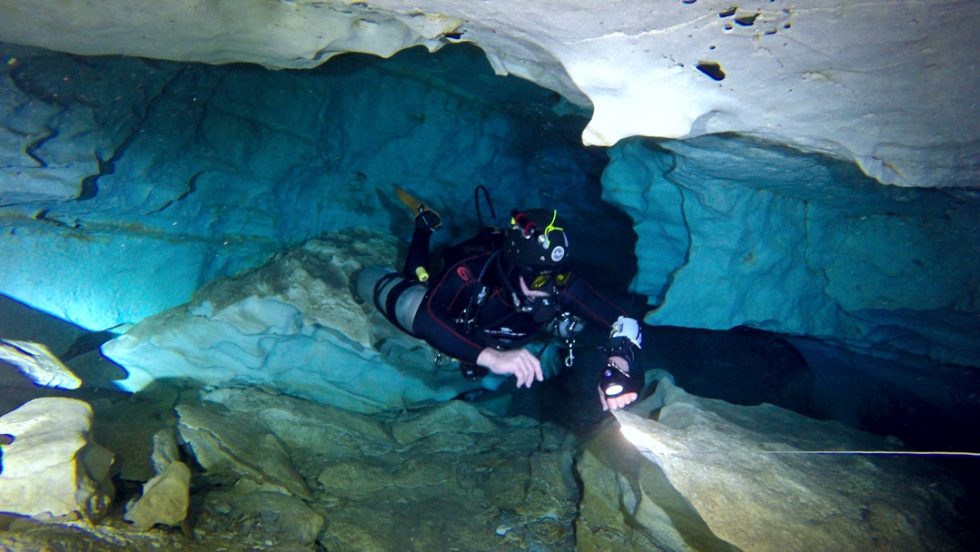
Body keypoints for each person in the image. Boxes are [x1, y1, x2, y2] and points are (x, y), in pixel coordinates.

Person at [356, 188, 643, 411]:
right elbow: (427, 316)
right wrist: (492, 357)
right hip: (461, 311)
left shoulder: (560, 284)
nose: (543, 287)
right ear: (516, 267)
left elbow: (624, 321)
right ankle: (424, 225)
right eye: (535, 277)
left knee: (572, 325)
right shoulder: (474, 268)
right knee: (413, 282)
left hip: (500, 335)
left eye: (550, 276)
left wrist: (618, 365)